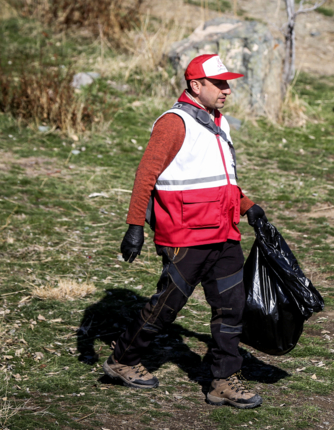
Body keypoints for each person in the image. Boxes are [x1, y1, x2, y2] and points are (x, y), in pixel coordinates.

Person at [103, 54, 264, 410]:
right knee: (167, 305)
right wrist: (134, 227)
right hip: (185, 236)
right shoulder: (174, 123)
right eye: (219, 83)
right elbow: (146, 174)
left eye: (227, 83)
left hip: (224, 233)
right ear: (196, 85)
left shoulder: (217, 121)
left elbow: (222, 181)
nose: (227, 90)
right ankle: (122, 359)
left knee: (231, 307)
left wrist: (248, 206)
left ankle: (223, 381)